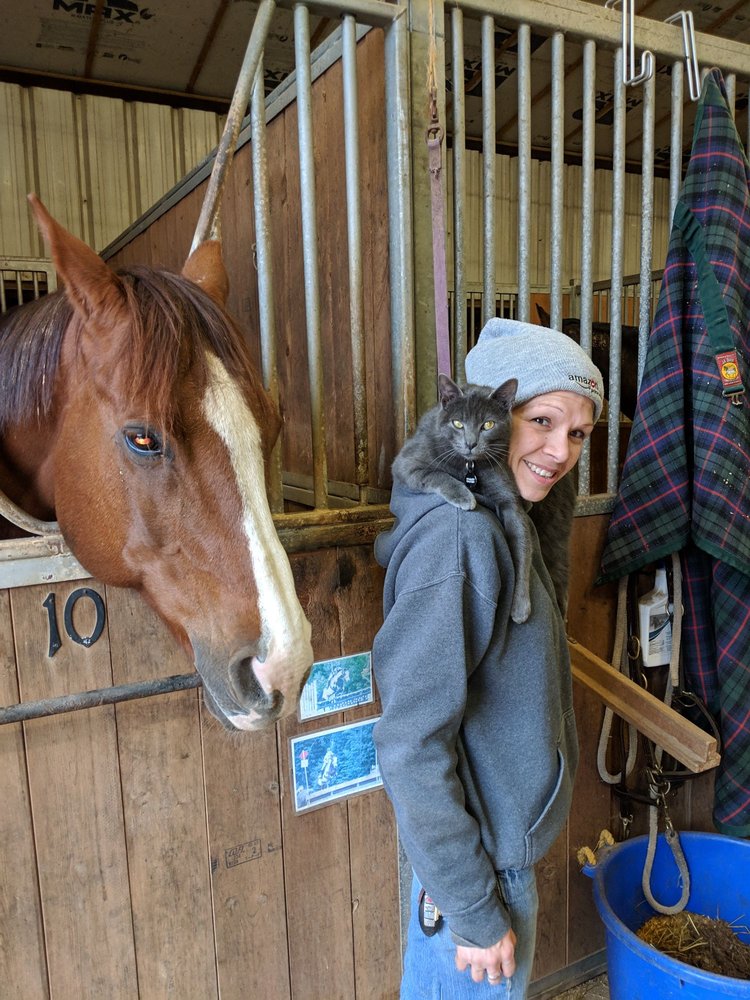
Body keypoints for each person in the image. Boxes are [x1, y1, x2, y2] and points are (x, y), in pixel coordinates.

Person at [372, 317, 604, 998]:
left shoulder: (509, 525)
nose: (560, 451)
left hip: (493, 858)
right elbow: (410, 743)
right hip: (480, 877)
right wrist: (473, 909)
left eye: (579, 433)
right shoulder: (461, 540)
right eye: (541, 420)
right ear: (492, 415)